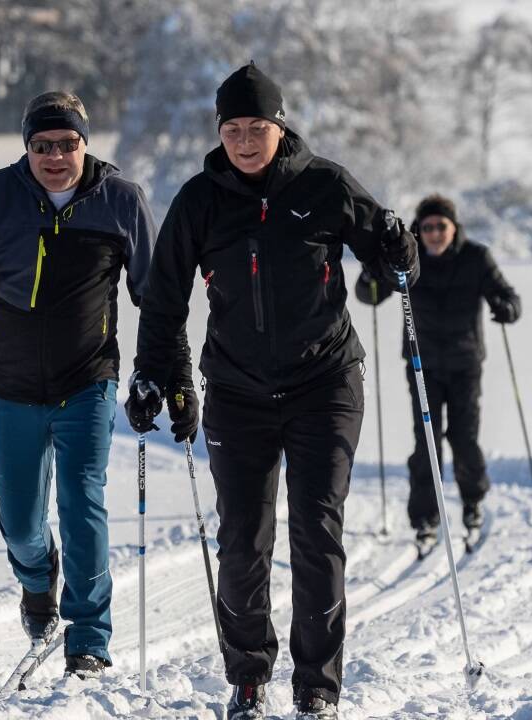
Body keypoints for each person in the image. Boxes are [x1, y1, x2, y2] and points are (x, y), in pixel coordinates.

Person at [125, 63, 418, 720]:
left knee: (316, 530)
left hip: (325, 383)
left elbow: (391, 258)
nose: (245, 140)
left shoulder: (324, 184)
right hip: (238, 390)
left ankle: (317, 686)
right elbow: (165, 300)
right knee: (242, 538)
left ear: (279, 127)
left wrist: (399, 251)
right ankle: (249, 678)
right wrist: (157, 374)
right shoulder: (201, 200)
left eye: (257, 127)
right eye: (232, 129)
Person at [0, 91, 157, 679]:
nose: (55, 156)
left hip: (88, 381)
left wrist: (159, 369)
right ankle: (37, 579)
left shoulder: (121, 201)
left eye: (67, 144)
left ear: (85, 142)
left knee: (83, 504)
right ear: (26, 147)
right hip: (12, 385)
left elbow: (154, 296)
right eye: (42, 146)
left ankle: (89, 639)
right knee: (23, 522)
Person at [355, 194, 521, 553]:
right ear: (419, 229)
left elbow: (506, 294)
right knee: (426, 442)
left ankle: (473, 501)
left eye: (440, 226)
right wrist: (371, 274)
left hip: (465, 364)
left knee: (463, 438)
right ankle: (425, 518)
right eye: (427, 227)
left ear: (453, 227)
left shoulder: (476, 257)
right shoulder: (406, 260)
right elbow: (368, 294)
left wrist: (506, 307)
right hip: (422, 365)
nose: (434, 234)